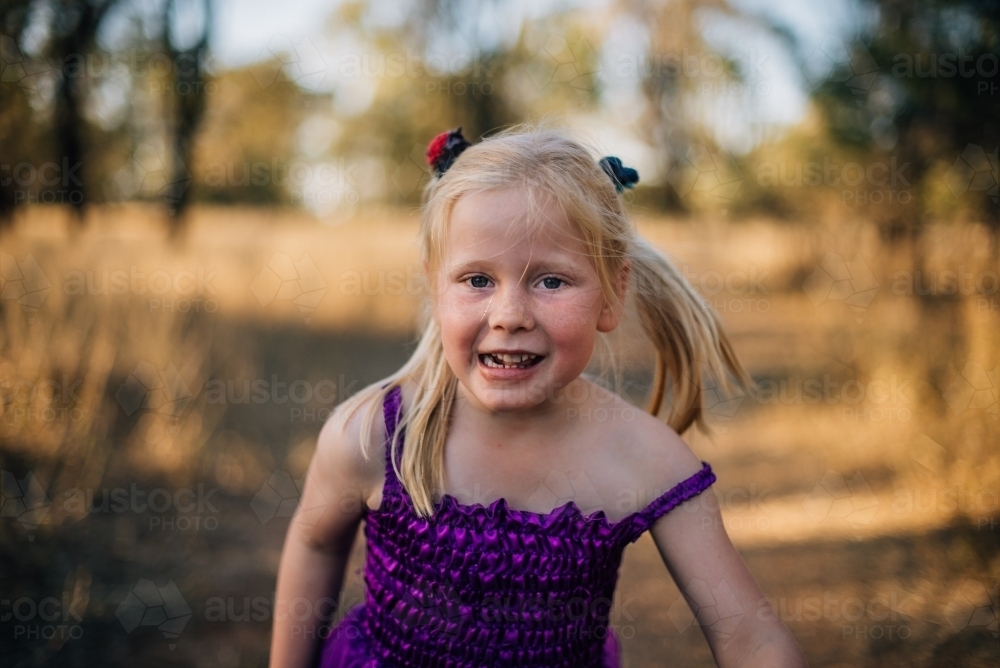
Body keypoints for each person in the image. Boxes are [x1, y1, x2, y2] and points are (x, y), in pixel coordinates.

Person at [270, 126, 807, 668]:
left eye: (551, 282)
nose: (509, 315)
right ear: (436, 287)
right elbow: (316, 543)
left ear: (612, 293)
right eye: (477, 279)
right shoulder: (375, 435)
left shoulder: (643, 457)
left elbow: (751, 638)